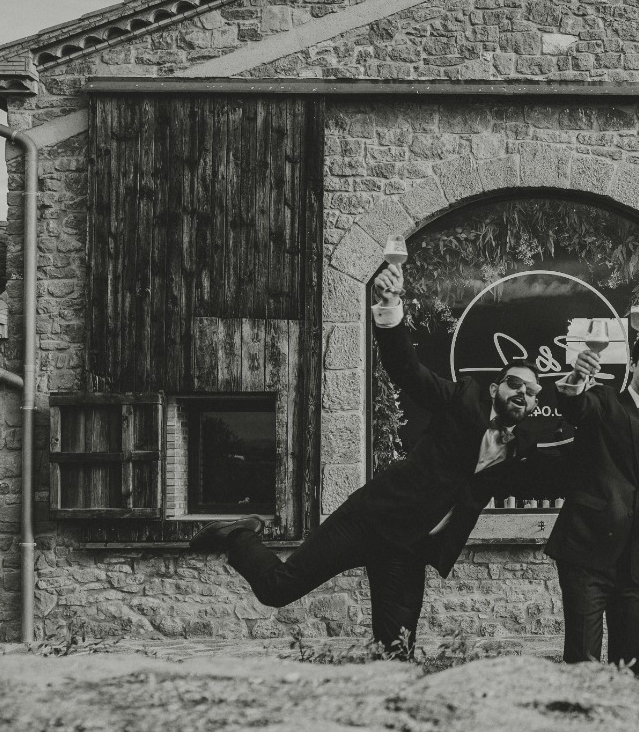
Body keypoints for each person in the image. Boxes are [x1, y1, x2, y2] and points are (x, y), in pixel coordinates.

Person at [189, 263, 545, 655]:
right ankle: (239, 534)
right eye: (515, 383)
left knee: (395, 651)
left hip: (409, 549)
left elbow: (566, 462)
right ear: (495, 388)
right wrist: (389, 307)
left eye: (532, 392)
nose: (522, 393)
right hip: (369, 520)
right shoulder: (461, 401)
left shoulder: (518, 447)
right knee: (277, 589)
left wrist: (581, 393)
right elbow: (407, 370)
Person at [545, 332, 639, 674]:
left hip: (636, 565)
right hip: (586, 554)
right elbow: (576, 406)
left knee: (629, 666)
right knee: (583, 664)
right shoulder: (606, 402)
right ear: (633, 364)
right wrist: (578, 377)